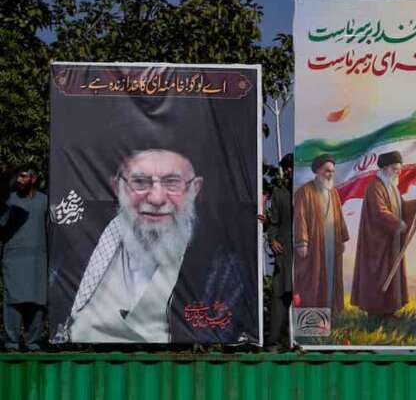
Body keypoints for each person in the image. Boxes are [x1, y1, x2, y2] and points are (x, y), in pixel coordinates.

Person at [51, 149, 252, 343]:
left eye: (172, 183)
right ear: (117, 187)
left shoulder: (222, 270)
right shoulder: (77, 256)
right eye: (140, 182)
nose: (156, 198)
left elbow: (219, 332)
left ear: (195, 188)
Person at [351, 151, 416, 318]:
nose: (399, 172)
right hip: (377, 245)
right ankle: (375, 313)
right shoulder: (375, 187)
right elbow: (379, 212)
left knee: (390, 276)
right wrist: (397, 223)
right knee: (377, 277)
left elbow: (402, 207)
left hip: (390, 243)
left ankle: (389, 311)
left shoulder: (391, 187)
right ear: (385, 168)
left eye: (399, 169)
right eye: (395, 168)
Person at [293, 153, 349, 318]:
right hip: (314, 246)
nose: (330, 174)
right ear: (317, 171)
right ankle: (311, 322)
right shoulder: (304, 192)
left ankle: (331, 314)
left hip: (332, 245)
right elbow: (300, 217)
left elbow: (339, 217)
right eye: (327, 171)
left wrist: (342, 238)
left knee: (331, 279)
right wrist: (302, 242)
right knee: (312, 281)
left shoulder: (333, 193)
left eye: (332, 171)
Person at [3, 169, 47, 351]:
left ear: (34, 178)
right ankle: (11, 343)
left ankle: (33, 342)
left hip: (38, 259)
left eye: (24, 176)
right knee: (13, 301)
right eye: (18, 176)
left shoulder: (44, 201)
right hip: (13, 258)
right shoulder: (8, 200)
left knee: (37, 301)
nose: (20, 180)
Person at [263, 154, 294, 348]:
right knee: (279, 295)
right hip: (285, 254)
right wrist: (272, 239)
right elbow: (273, 223)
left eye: (292, 167)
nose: (289, 171)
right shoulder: (280, 195)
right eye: (286, 168)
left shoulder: (310, 192)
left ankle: (311, 340)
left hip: (308, 258)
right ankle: (273, 341)